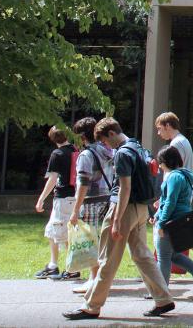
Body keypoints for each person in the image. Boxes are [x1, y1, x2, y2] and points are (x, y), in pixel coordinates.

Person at [63, 117, 174, 320]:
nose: (106, 146)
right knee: (142, 255)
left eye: (105, 141)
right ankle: (163, 299)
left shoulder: (123, 152)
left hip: (123, 209)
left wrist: (116, 220)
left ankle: (91, 306)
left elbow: (125, 187)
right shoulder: (137, 146)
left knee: (107, 259)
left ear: (112, 133)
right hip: (142, 207)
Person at [154, 112, 193, 272]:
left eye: (160, 128)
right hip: (182, 192)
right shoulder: (183, 141)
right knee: (179, 230)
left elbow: (172, 171)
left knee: (176, 230)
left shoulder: (176, 144)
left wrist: (163, 197)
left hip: (178, 193)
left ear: (168, 126)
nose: (158, 132)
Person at [153, 145, 193, 293]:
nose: (159, 166)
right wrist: (156, 216)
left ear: (166, 161)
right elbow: (169, 201)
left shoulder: (173, 177)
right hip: (181, 221)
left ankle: (161, 292)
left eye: (160, 162)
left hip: (171, 223)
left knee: (163, 257)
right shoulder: (185, 175)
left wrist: (161, 223)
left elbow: (170, 202)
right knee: (173, 255)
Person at [67, 117, 115, 293]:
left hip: (90, 201)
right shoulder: (109, 151)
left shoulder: (86, 155)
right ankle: (98, 277)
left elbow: (83, 183)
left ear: (82, 137)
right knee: (102, 241)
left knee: (90, 240)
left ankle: (94, 278)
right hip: (108, 198)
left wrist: (74, 210)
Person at [34, 126, 78, 280]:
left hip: (63, 198)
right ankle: (60, 265)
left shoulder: (57, 154)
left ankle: (66, 267)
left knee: (58, 233)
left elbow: (53, 179)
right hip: (75, 197)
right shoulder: (75, 150)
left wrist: (41, 199)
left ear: (52, 139)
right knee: (59, 232)